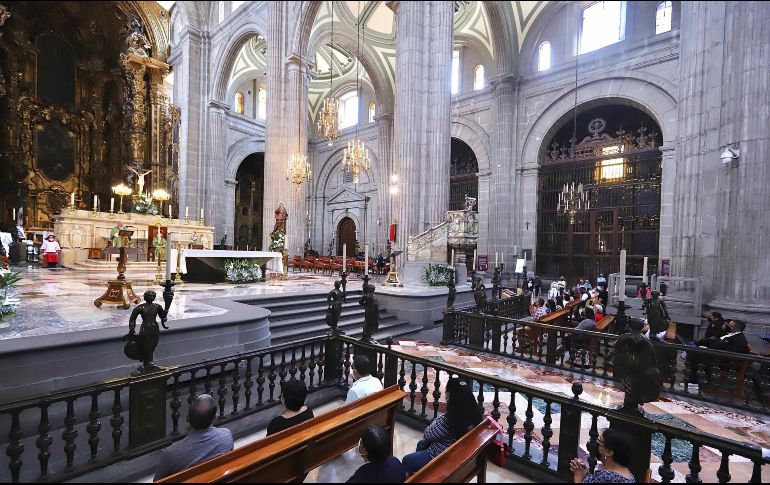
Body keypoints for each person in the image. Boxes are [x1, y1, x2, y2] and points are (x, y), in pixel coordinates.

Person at [402, 378, 482, 474]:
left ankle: (420, 476)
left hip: (440, 458)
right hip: (457, 454)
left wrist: (443, 416)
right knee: (421, 444)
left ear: (449, 396)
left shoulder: (449, 420)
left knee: (407, 460)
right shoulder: (475, 415)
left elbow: (428, 433)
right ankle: (420, 473)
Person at [154, 395, 234, 480]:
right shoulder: (226, 435)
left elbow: (157, 481)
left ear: (188, 419)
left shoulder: (171, 454)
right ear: (214, 418)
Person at [686, 319, 750, 386]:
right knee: (695, 348)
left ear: (735, 327)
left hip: (724, 359)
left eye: (730, 325)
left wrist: (709, 350)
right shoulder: (732, 334)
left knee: (695, 353)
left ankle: (695, 382)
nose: (728, 326)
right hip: (716, 352)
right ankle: (694, 378)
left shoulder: (739, 339)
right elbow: (720, 343)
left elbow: (730, 352)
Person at [570, 428, 636, 483]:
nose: (595, 443)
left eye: (599, 441)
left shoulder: (604, 477)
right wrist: (585, 474)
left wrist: (578, 476)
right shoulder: (628, 475)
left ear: (609, 452)